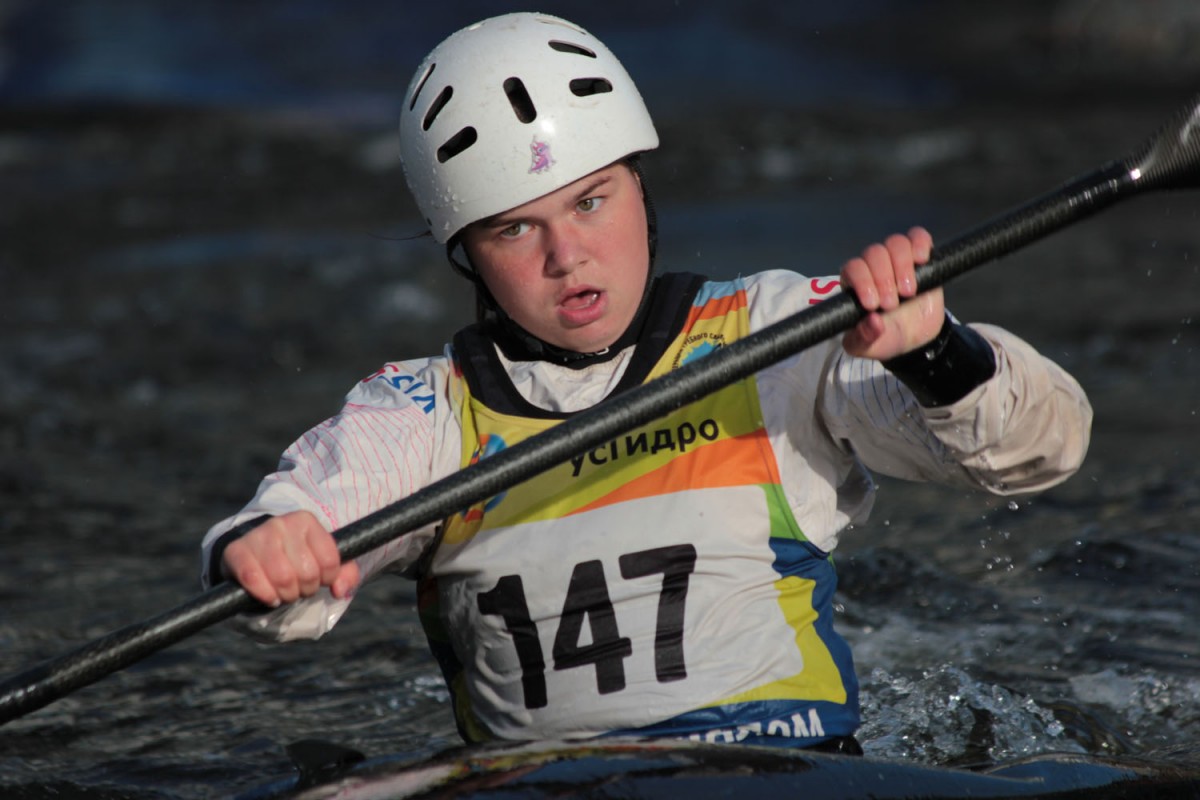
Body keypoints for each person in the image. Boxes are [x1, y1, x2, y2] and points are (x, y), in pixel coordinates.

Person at [200, 12, 1091, 752]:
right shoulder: (424, 416)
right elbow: (289, 578)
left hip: (782, 774)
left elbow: (1040, 453)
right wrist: (270, 549)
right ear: (465, 253)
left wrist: (930, 350)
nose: (567, 255)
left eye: (591, 201)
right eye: (514, 230)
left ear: (641, 187)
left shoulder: (777, 334)